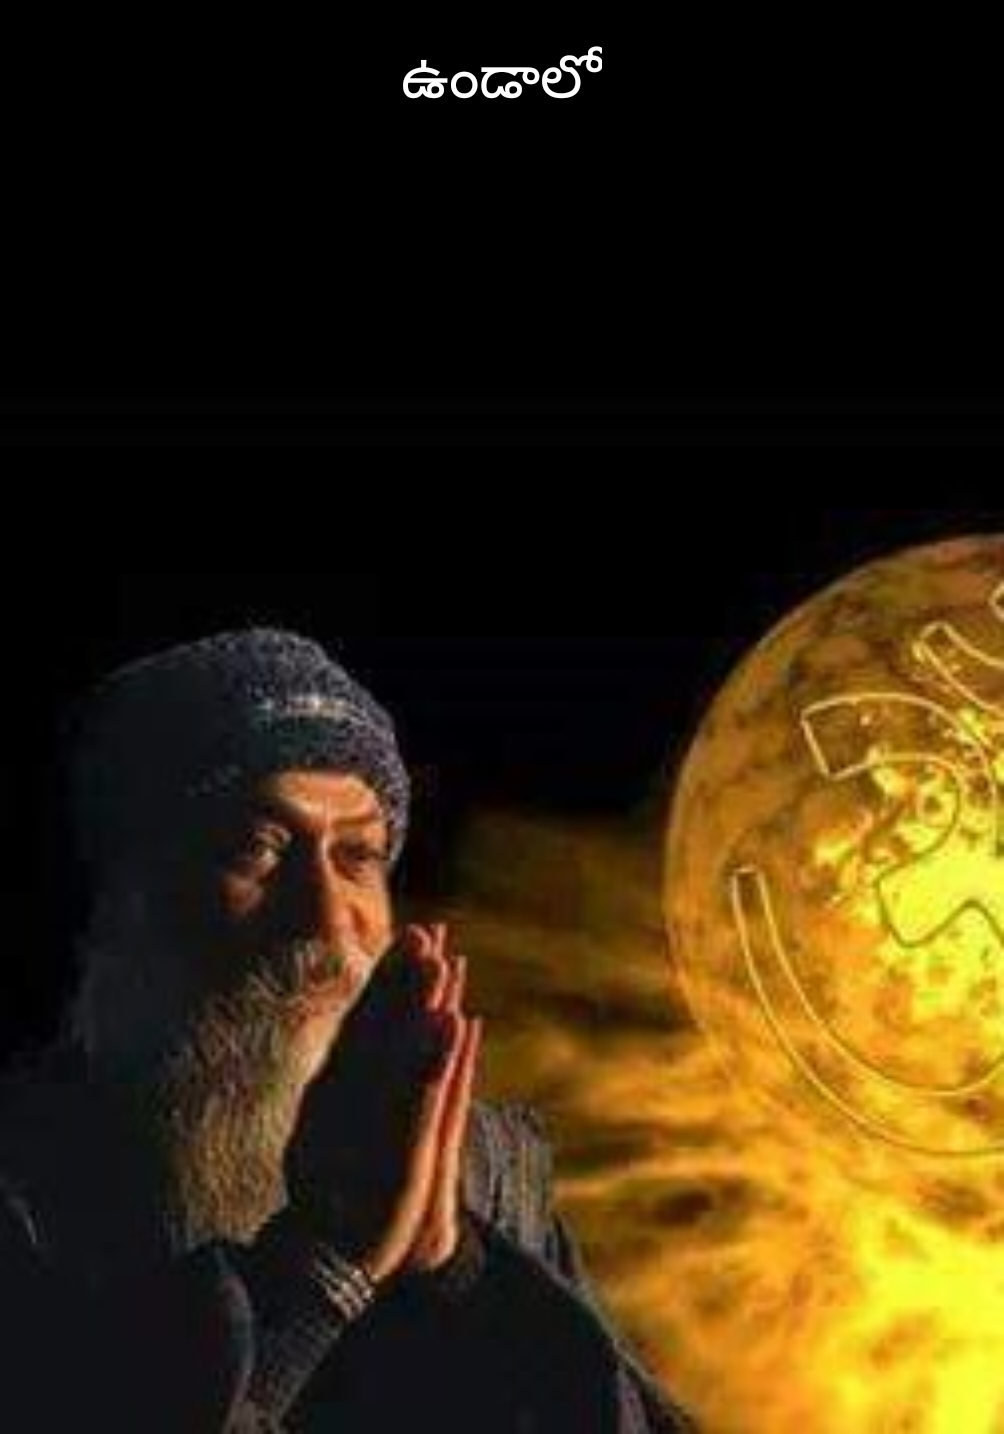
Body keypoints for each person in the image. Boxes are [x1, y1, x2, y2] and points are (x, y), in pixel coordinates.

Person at [0, 628, 693, 1431]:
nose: (329, 923)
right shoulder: (30, 1180)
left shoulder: (482, 1177)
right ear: (130, 896)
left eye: (358, 856)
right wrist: (327, 1261)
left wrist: (456, 1271)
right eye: (258, 849)